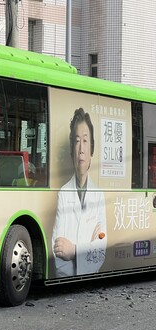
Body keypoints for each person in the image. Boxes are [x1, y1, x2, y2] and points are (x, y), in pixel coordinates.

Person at [52, 108, 107, 277]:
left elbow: (101, 252)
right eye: (77, 141)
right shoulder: (63, 193)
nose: (81, 149)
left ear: (92, 150)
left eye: (85, 140)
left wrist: (74, 250)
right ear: (71, 150)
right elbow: (57, 253)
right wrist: (88, 245)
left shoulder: (99, 195)